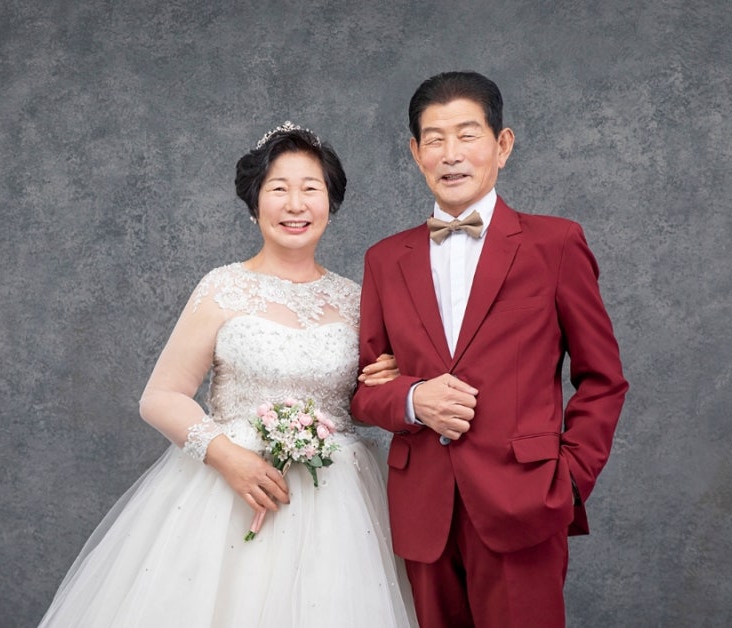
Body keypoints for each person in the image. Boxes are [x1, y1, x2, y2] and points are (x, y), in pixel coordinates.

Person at [39, 122, 417, 627]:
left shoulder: (356, 299)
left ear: (331, 202)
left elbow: (363, 402)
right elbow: (161, 396)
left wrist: (386, 380)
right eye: (278, 189)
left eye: (311, 189)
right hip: (227, 491)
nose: (295, 205)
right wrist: (228, 458)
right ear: (254, 201)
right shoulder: (222, 288)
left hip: (338, 499)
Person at [350, 71, 629, 628]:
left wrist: (570, 478)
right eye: (434, 139)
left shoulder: (556, 243)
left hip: (525, 501)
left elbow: (603, 378)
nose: (451, 154)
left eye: (467, 135)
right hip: (421, 508)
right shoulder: (384, 259)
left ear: (502, 145)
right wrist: (412, 399)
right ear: (416, 153)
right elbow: (363, 391)